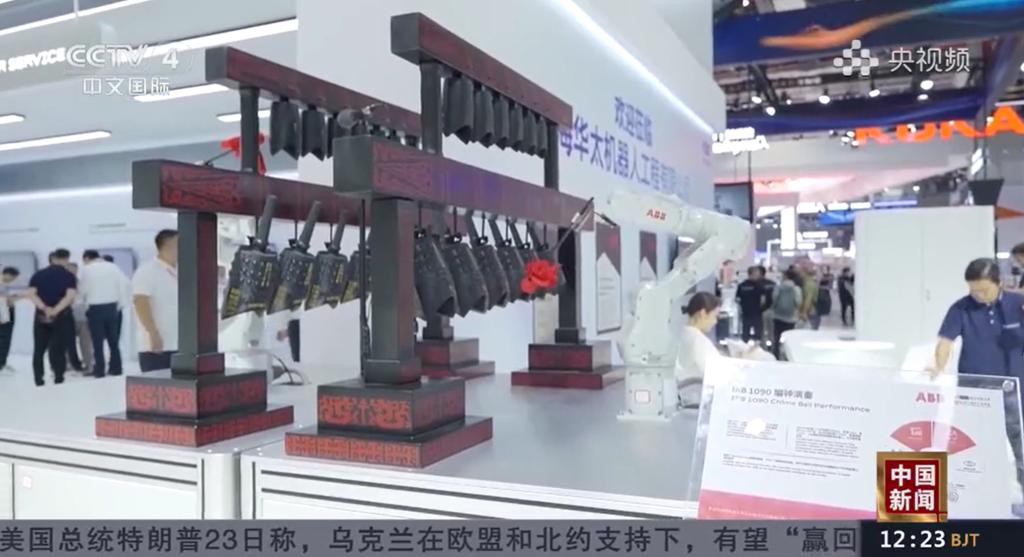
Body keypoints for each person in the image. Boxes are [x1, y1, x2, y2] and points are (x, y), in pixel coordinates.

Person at [931, 258, 1024, 490]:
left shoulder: (1017, 304)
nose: (978, 295)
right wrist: (938, 367)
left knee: (1020, 441)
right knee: (976, 443)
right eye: (973, 290)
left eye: (983, 290)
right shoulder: (961, 307)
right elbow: (945, 342)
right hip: (975, 389)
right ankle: (981, 491)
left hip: (1014, 388)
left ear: (999, 283)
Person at [26, 249, 78, 386]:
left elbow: (31, 294)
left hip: (41, 316)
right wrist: (55, 310)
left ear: (53, 258)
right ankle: (58, 377)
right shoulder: (69, 276)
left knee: (39, 349)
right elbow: (70, 296)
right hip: (61, 316)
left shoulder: (38, 275)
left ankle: (38, 379)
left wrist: (44, 308)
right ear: (67, 259)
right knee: (58, 349)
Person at [133, 230, 178, 372]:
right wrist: (153, 333)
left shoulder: (179, 271)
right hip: (156, 347)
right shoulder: (148, 271)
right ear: (168, 245)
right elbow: (140, 302)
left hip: (179, 345)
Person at [80, 250, 130, 377]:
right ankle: (116, 368)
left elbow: (83, 289)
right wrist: (120, 305)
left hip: (95, 308)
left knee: (97, 342)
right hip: (112, 307)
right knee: (114, 341)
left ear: (87, 258)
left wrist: (81, 302)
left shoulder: (87, 269)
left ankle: (100, 370)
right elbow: (124, 284)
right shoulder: (113, 267)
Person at [675, 292, 723, 408]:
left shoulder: (679, 335)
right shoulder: (698, 341)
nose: (715, 322)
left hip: (682, 398)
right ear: (703, 313)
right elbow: (717, 374)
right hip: (697, 400)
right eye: (714, 316)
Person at [66, 263, 93, 376]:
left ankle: (88, 364)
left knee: (85, 343)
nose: (72, 272)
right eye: (70, 270)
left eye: (74, 270)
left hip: (82, 317)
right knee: (67, 343)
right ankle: (68, 364)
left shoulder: (82, 284)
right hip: (67, 317)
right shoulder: (62, 283)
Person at [771, 268, 803, 359]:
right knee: (789, 338)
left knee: (776, 337)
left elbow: (774, 299)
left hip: (778, 316)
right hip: (791, 318)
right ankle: (787, 355)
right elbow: (798, 302)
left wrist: (774, 308)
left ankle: (776, 355)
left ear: (785, 276)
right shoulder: (796, 289)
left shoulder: (778, 287)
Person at [736, 266, 772, 343]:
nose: (758, 276)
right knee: (758, 335)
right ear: (752, 274)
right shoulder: (760, 286)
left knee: (746, 334)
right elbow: (763, 299)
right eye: (757, 274)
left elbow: (737, 299)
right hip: (756, 313)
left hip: (747, 313)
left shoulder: (742, 285)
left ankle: (745, 347)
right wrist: (763, 309)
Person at [0, 267, 20, 372]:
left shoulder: (4, 284)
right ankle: (1, 364)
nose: (13, 280)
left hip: (7, 311)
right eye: (13, 277)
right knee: (4, 339)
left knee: (5, 339)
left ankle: (2, 362)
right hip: (3, 313)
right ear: (7, 274)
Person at [800, 266, 821, 330]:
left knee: (809, 332)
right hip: (813, 311)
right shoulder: (812, 283)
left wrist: (804, 312)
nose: (800, 275)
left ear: (805, 273)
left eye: (801, 273)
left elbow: (808, 299)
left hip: (810, 312)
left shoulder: (809, 284)